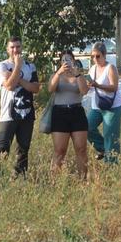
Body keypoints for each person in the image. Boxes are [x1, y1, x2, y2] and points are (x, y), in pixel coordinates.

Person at [0, 37, 40, 177]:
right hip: (8, 114)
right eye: (12, 47)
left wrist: (17, 78)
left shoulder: (30, 66)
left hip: (27, 113)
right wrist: (18, 67)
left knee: (23, 148)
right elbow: (9, 86)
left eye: (18, 47)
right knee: (2, 147)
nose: (15, 50)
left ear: (21, 48)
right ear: (7, 49)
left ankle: (20, 176)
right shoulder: (2, 66)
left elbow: (35, 88)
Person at [47, 50, 90, 178]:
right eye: (64, 60)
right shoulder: (56, 75)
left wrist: (77, 75)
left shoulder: (79, 75)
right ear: (60, 62)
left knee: (81, 149)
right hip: (60, 113)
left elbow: (84, 91)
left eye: (69, 59)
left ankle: (82, 179)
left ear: (74, 61)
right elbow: (50, 88)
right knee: (60, 150)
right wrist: (59, 72)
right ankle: (55, 181)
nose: (67, 62)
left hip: (77, 112)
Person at [85, 42, 121, 164]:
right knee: (86, 127)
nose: (95, 59)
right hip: (97, 105)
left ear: (104, 55)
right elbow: (91, 88)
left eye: (98, 56)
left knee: (110, 136)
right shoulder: (92, 69)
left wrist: (98, 85)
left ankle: (111, 165)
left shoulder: (110, 68)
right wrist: (88, 85)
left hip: (112, 106)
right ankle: (102, 149)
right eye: (93, 56)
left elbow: (114, 87)